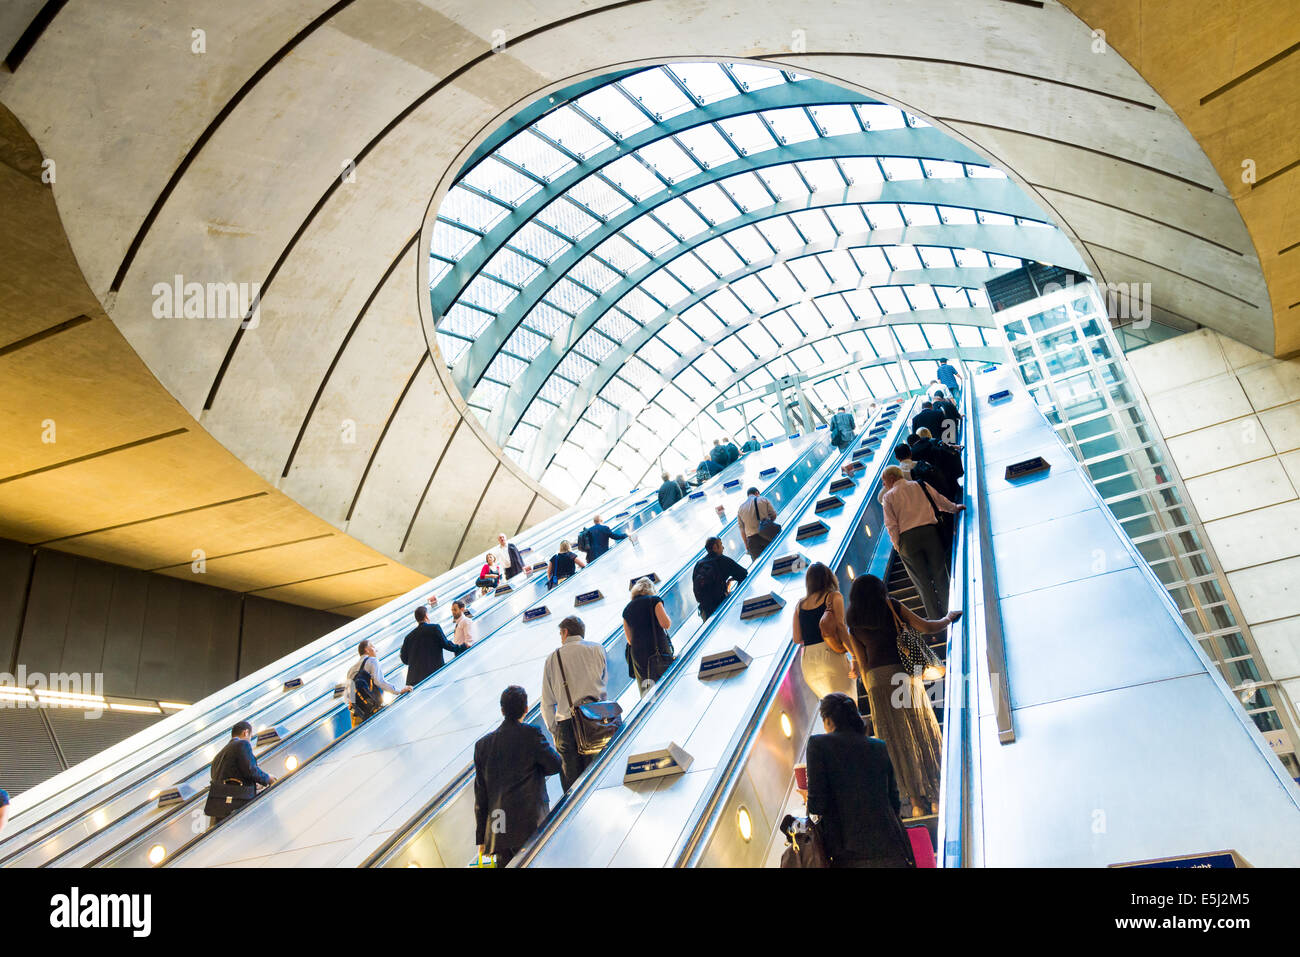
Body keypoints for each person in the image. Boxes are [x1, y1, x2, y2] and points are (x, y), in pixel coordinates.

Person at [846, 574, 956, 818]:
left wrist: (872, 691)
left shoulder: (852, 620)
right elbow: (927, 626)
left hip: (876, 682)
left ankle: (915, 802)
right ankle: (936, 796)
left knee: (896, 742)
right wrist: (947, 619)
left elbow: (862, 662)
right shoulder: (891, 604)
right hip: (903, 674)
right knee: (920, 730)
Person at [801, 693, 915, 868]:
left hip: (848, 852)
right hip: (891, 847)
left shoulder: (818, 745)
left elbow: (818, 805)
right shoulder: (878, 746)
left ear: (828, 720)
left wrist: (807, 796)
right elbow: (894, 801)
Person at [473, 685, 562, 868]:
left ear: (502, 710)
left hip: (500, 829)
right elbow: (555, 764)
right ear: (526, 709)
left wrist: (481, 837)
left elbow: (481, 796)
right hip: (530, 823)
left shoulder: (483, 746)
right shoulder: (531, 734)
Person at [881, 466, 965, 620]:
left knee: (922, 582)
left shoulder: (888, 497)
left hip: (907, 540)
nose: (884, 485)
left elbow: (891, 525)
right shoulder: (920, 485)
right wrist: (955, 508)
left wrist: (898, 545)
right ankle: (951, 611)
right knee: (940, 573)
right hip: (930, 533)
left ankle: (935, 620)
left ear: (892, 478)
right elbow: (938, 500)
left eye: (884, 481)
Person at [540, 615, 609, 791]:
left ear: (565, 632)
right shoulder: (597, 649)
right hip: (597, 720)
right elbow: (603, 682)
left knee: (573, 787)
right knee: (600, 776)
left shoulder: (553, 658)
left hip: (567, 725)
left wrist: (556, 731)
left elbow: (547, 702)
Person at [791, 562, 855, 699]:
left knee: (831, 707)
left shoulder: (800, 604)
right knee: (847, 703)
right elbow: (841, 628)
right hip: (830, 654)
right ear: (828, 577)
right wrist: (855, 656)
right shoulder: (833, 597)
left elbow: (796, 639)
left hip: (808, 662)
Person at [203, 720, 276, 828]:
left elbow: (223, 776)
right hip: (237, 804)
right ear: (246, 732)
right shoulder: (242, 744)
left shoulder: (218, 755)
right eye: (251, 736)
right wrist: (267, 778)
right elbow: (251, 769)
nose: (250, 740)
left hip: (219, 808)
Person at [623, 577, 673, 697]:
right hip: (657, 651)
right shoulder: (654, 600)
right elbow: (665, 624)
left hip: (639, 656)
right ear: (651, 589)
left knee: (647, 689)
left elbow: (629, 640)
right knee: (666, 684)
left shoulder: (627, 609)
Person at [346, 639, 412, 728]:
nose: (376, 650)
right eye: (373, 646)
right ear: (367, 649)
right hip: (372, 708)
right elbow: (379, 681)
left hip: (357, 713)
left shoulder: (350, 670)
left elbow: (348, 695)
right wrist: (399, 691)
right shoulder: (372, 660)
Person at [401, 605, 462, 686]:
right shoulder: (434, 628)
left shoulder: (408, 637)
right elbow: (446, 644)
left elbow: (404, 659)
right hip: (434, 675)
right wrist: (462, 647)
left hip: (414, 680)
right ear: (426, 615)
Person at [692, 536, 748, 620]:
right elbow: (743, 573)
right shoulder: (722, 560)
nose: (723, 547)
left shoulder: (698, 564)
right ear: (715, 547)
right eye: (721, 544)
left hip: (705, 610)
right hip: (721, 605)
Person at [737, 486, 778, 560]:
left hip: (752, 541)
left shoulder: (740, 508)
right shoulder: (763, 499)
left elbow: (742, 530)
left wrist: (747, 546)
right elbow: (774, 515)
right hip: (766, 534)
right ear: (757, 493)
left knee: (759, 565)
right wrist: (768, 522)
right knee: (774, 558)